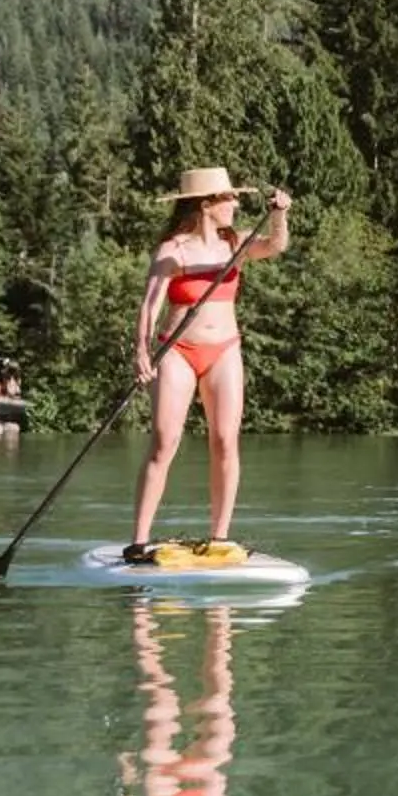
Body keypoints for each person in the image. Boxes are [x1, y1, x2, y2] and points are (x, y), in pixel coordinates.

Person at [126, 168, 293, 563]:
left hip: (224, 350)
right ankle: (138, 541)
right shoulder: (173, 251)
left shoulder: (234, 243)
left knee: (224, 441)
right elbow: (150, 305)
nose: (236, 204)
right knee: (164, 442)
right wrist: (141, 352)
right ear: (206, 205)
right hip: (177, 351)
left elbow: (276, 246)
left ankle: (220, 537)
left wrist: (279, 215)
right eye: (228, 198)